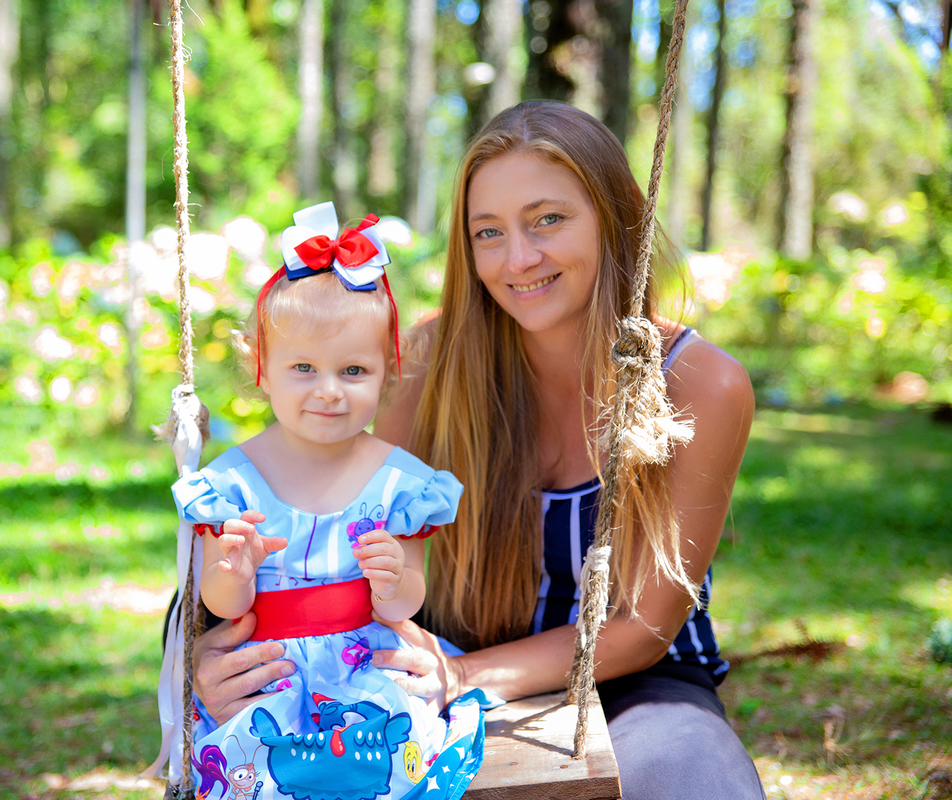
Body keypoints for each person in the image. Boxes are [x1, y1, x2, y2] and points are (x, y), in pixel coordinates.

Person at [187, 103, 766, 800]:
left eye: (548, 219)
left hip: (633, 684)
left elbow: (638, 627)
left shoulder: (700, 383)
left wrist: (464, 677)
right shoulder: (430, 361)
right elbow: (317, 512)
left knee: (694, 787)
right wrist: (228, 646)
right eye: (487, 232)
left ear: (615, 218)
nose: (517, 259)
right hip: (424, 664)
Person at [168, 202, 488, 800]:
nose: (329, 391)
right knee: (262, 772)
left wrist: (394, 580)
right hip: (272, 672)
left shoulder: (401, 483)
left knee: (380, 763)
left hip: (366, 670)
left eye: (354, 371)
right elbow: (223, 601)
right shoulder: (233, 482)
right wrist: (233, 571)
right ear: (262, 369)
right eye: (304, 368)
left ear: (388, 374)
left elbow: (407, 604)